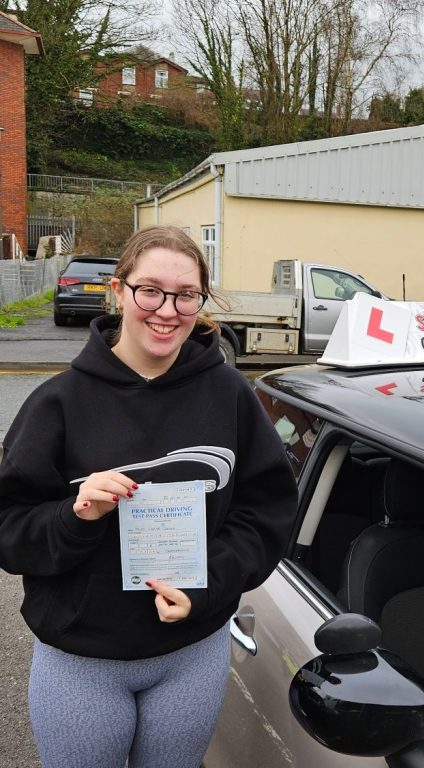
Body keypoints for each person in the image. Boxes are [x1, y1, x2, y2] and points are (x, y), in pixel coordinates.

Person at [0, 225, 298, 768]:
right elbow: (9, 530)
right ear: (119, 291)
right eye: (150, 290)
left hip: (191, 653)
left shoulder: (230, 394)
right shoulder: (57, 404)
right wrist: (74, 516)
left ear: (201, 301)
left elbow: (267, 514)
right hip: (82, 659)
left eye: (186, 295)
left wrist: (207, 585)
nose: (168, 310)